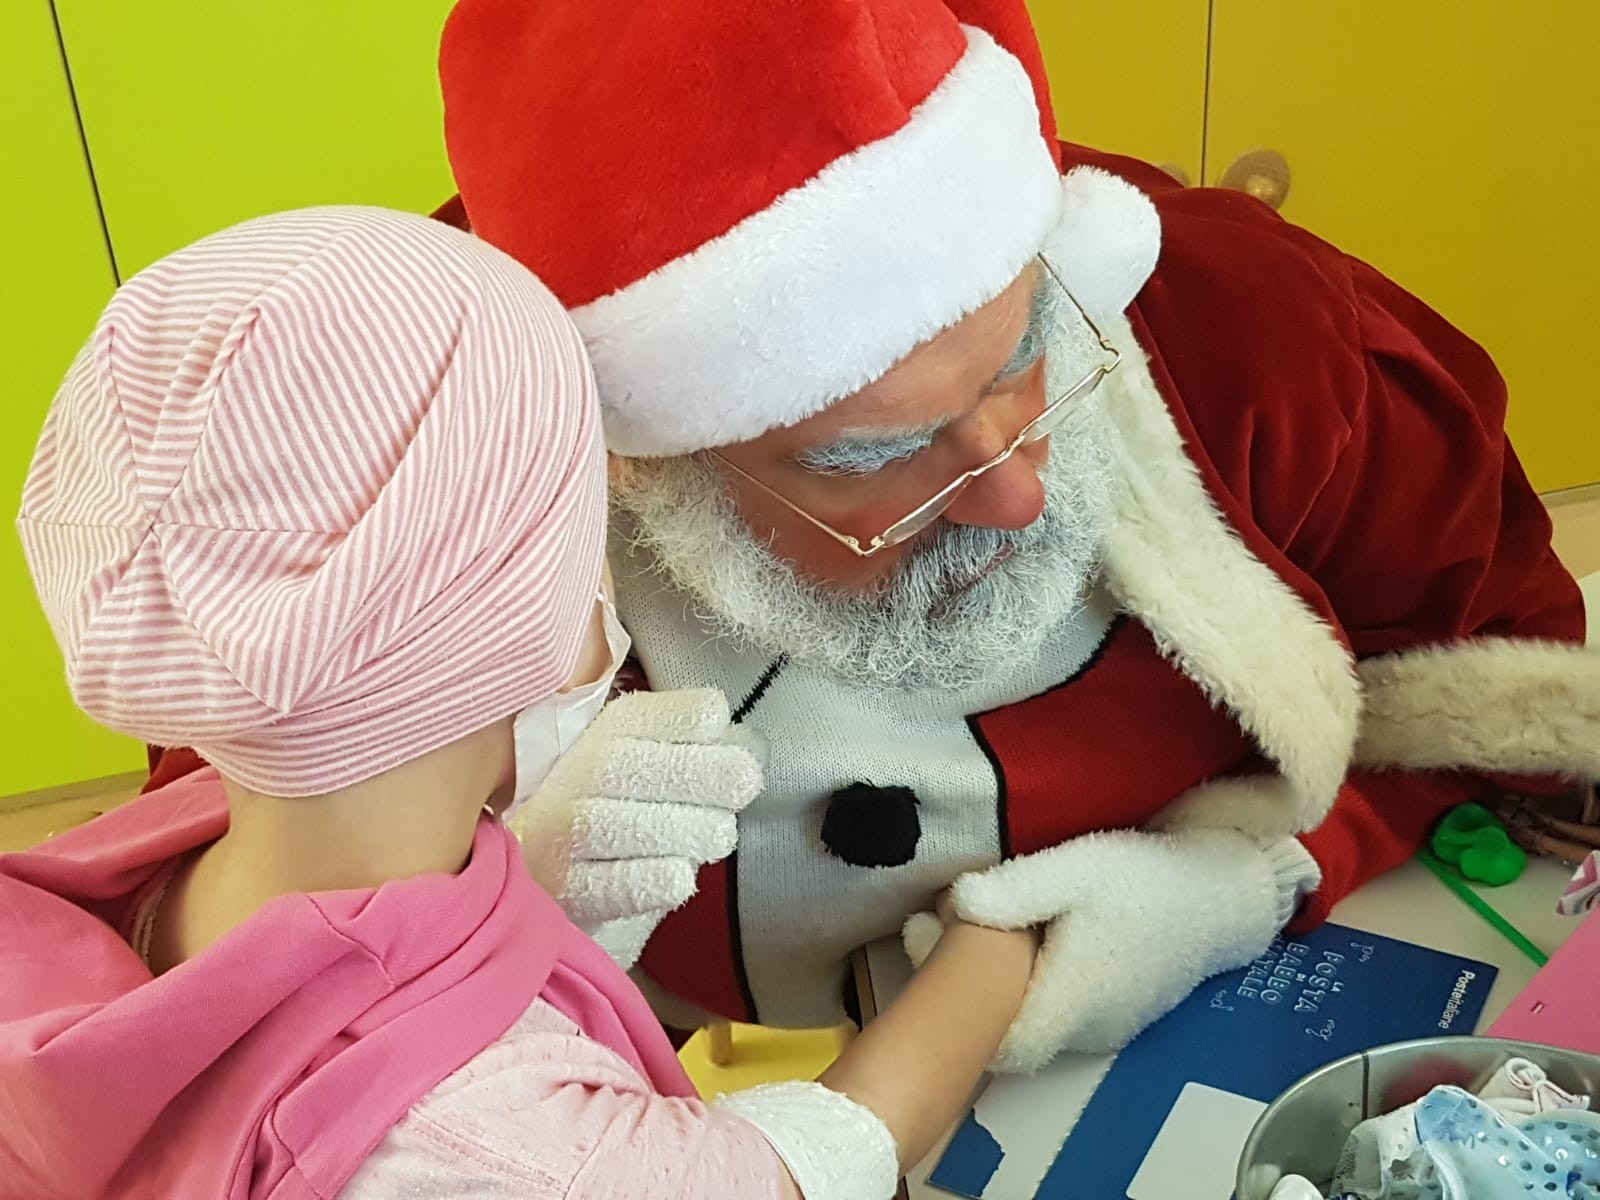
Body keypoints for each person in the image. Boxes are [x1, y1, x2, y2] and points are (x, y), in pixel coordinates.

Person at [436, 0, 1600, 1070]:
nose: (1016, 500)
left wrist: (1247, 875)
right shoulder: (431, 467)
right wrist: (504, 914)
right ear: (644, 464)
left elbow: (1479, 689)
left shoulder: (1252, 338)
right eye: (874, 459)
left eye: (1023, 362)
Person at [0, 206, 1042, 1199]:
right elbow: (818, 1157)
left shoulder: (135, 869)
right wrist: (1006, 942)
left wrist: (527, 902)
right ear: (512, 613)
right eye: (585, 545)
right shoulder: (509, 1159)